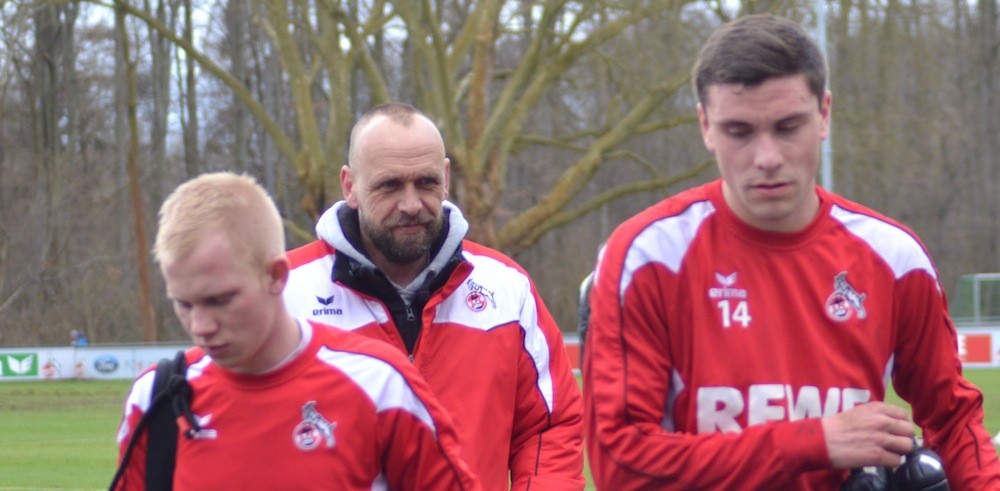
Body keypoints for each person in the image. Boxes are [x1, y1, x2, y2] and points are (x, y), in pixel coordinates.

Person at [583, 14, 1000, 490]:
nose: (767, 157)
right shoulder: (649, 256)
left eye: (788, 127)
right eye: (739, 132)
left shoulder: (894, 258)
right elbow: (623, 464)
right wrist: (812, 441)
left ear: (824, 115)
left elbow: (956, 424)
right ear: (705, 126)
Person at [283, 102, 585, 490]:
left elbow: (550, 424)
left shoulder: (506, 288)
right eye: (389, 185)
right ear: (350, 186)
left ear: (445, 177)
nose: (411, 204)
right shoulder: (286, 295)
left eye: (425, 183)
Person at [113, 172, 479, 490]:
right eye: (184, 304)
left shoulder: (380, 384)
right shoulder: (158, 398)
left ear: (276, 276)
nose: (200, 327)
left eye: (220, 300)